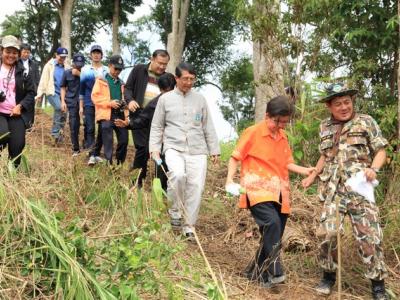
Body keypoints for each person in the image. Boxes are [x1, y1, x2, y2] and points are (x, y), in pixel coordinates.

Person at [302, 83, 389, 300]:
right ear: (329, 106)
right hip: (332, 189)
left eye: (347, 102)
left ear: (352, 102)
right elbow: (325, 155)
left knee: (370, 237)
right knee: (327, 234)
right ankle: (328, 276)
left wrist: (374, 169)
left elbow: (381, 151)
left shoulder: (366, 121)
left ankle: (378, 285)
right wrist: (313, 175)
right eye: (338, 103)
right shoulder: (324, 126)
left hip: (360, 189)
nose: (344, 107)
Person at [225, 95, 314, 288]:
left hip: (280, 191)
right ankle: (275, 269)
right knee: (272, 224)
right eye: (277, 121)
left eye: (284, 122)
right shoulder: (253, 132)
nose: (281, 125)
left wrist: (305, 170)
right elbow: (235, 157)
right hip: (256, 188)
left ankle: (254, 272)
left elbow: (287, 162)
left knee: (274, 233)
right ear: (267, 115)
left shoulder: (283, 137)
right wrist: (229, 179)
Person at [149, 62, 220, 240]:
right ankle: (175, 212)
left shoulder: (200, 99)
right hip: (173, 147)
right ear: (176, 78)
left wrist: (214, 150)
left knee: (196, 186)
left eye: (192, 79)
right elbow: (157, 126)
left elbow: (208, 126)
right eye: (185, 79)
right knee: (178, 175)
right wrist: (155, 149)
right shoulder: (165, 99)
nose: (189, 82)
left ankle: (189, 226)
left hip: (197, 149)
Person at [124, 49, 170, 187]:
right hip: (139, 114)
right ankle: (138, 179)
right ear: (152, 59)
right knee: (142, 147)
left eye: (165, 64)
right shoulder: (139, 70)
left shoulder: (168, 77)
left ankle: (161, 183)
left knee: (158, 149)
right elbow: (128, 88)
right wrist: (130, 100)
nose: (162, 67)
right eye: (160, 63)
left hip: (157, 118)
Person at [131, 72, 176, 190]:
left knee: (167, 164)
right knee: (148, 156)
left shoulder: (181, 101)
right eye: (165, 91)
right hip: (155, 138)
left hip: (173, 140)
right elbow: (142, 119)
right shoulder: (154, 103)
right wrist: (128, 124)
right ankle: (138, 181)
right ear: (160, 89)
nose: (167, 95)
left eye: (170, 91)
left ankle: (164, 188)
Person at [0, 35, 35, 167]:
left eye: (14, 52)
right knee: (2, 135)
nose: (11, 55)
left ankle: (12, 173)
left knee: (18, 144)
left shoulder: (24, 71)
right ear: (1, 51)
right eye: (7, 52)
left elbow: (31, 93)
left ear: (18, 54)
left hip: (15, 113)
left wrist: (20, 106)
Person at [91, 55, 128, 165]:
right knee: (108, 139)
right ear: (109, 66)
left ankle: (119, 163)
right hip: (106, 114)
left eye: (120, 69)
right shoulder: (101, 80)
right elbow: (95, 97)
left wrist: (124, 105)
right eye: (116, 68)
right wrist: (109, 103)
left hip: (120, 114)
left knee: (124, 140)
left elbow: (125, 99)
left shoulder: (122, 83)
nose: (118, 71)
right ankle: (109, 163)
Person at [80, 45, 108, 165]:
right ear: (90, 55)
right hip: (88, 102)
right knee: (90, 128)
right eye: (94, 53)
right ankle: (91, 154)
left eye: (98, 53)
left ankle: (96, 153)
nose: (96, 55)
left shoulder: (107, 70)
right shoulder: (85, 70)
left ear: (102, 55)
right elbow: (81, 90)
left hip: (103, 104)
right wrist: (81, 106)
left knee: (102, 129)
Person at [36, 47, 70, 144]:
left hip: (63, 94)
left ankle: (60, 134)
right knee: (59, 108)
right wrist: (39, 94)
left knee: (64, 112)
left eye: (64, 57)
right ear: (56, 55)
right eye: (60, 56)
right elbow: (43, 80)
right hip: (52, 92)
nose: (62, 59)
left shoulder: (67, 67)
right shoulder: (49, 65)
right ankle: (54, 134)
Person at [60, 53, 85, 156]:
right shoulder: (66, 73)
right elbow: (62, 87)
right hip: (72, 102)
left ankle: (88, 147)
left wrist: (80, 74)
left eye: (80, 64)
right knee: (73, 124)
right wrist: (62, 101)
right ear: (73, 63)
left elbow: (93, 82)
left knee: (88, 125)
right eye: (76, 64)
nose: (78, 66)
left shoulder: (86, 73)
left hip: (85, 102)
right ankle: (76, 149)